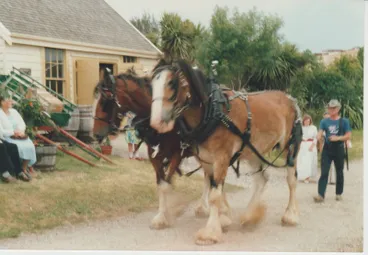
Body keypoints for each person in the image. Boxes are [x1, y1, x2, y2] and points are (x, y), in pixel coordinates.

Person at [314, 99, 352, 203]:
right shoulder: (324, 121)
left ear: (338, 108)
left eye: (334, 108)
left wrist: (338, 138)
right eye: (330, 108)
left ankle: (338, 193)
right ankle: (321, 195)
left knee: (339, 172)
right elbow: (320, 132)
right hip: (327, 148)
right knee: (324, 172)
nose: (331, 110)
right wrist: (318, 136)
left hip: (339, 148)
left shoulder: (344, 121)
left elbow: (348, 135)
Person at [0, 94, 37, 173]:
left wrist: (20, 131)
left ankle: (24, 167)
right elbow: (1, 131)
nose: (11, 101)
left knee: (29, 145)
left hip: (19, 136)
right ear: (2, 102)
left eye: (11, 100)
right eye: (8, 100)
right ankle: (19, 168)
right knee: (18, 147)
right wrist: (13, 132)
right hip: (7, 137)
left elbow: (22, 123)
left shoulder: (14, 111)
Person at [296, 114, 318, 183]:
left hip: (311, 145)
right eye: (306, 121)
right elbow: (298, 136)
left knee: (309, 162)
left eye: (308, 121)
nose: (307, 122)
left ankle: (307, 178)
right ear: (303, 121)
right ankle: (302, 176)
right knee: (302, 161)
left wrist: (312, 146)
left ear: (310, 121)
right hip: (303, 145)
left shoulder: (313, 128)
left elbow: (316, 138)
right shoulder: (301, 128)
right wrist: (302, 139)